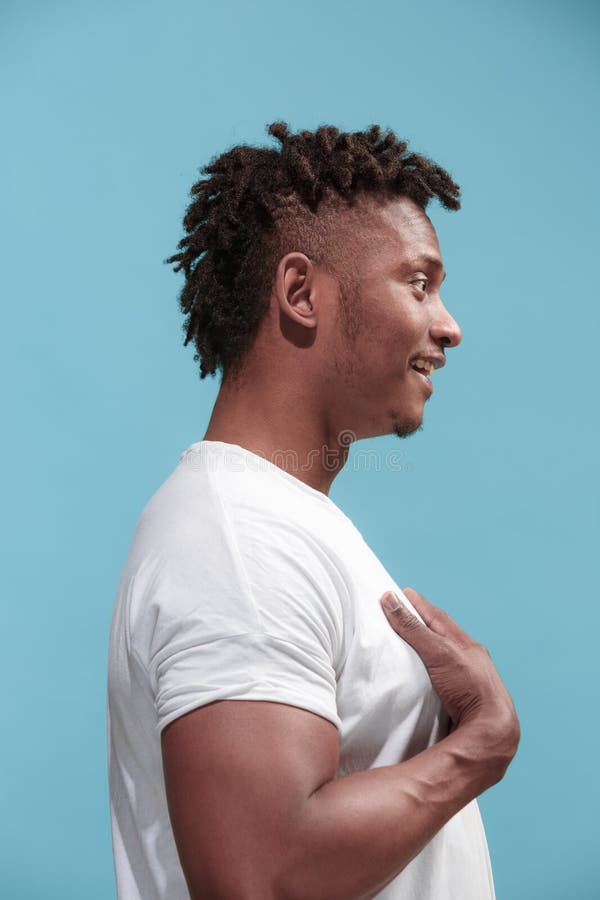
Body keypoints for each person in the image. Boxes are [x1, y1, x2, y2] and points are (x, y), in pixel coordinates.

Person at [106, 121, 520, 900]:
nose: (449, 326)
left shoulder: (273, 521)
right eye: (419, 283)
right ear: (301, 293)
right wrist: (481, 748)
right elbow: (263, 873)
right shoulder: (237, 540)